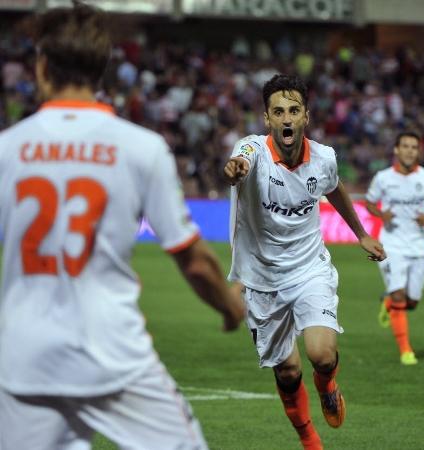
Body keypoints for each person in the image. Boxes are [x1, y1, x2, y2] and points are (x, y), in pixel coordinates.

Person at [0, 2, 245, 449]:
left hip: (24, 358)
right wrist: (231, 307)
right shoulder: (141, 148)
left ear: (42, 66)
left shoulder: (7, 149)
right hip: (112, 354)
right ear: (102, 68)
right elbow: (193, 260)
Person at [223, 74, 386, 450]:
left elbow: (335, 188)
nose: (286, 118)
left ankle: (327, 384)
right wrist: (235, 169)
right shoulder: (251, 152)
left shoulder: (324, 158)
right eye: (277, 111)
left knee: (321, 355)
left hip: (309, 269)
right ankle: (309, 440)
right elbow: (239, 162)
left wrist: (361, 233)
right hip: (261, 280)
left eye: (293, 110)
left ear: (305, 117)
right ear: (267, 119)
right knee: (288, 371)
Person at [366, 131, 424, 365]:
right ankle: (406, 351)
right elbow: (369, 203)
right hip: (391, 244)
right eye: (406, 146)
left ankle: (388, 302)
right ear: (396, 150)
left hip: (419, 245)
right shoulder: (383, 178)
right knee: (400, 294)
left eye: (414, 147)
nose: (410, 150)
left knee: (412, 301)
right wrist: (382, 214)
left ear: (418, 151)